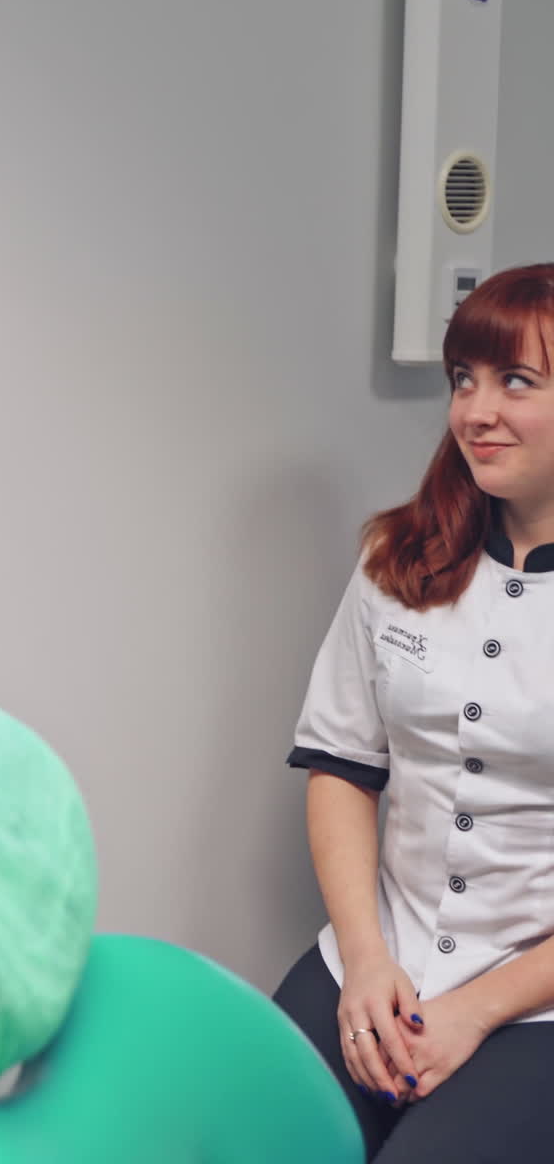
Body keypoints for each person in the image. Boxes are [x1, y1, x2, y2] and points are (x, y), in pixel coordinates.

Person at [273, 263, 554, 1162]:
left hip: (534, 1004)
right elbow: (342, 766)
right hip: (376, 958)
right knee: (236, 1133)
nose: (477, 412)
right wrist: (365, 962)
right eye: (464, 379)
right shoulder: (400, 555)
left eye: (518, 381)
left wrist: (475, 1009)